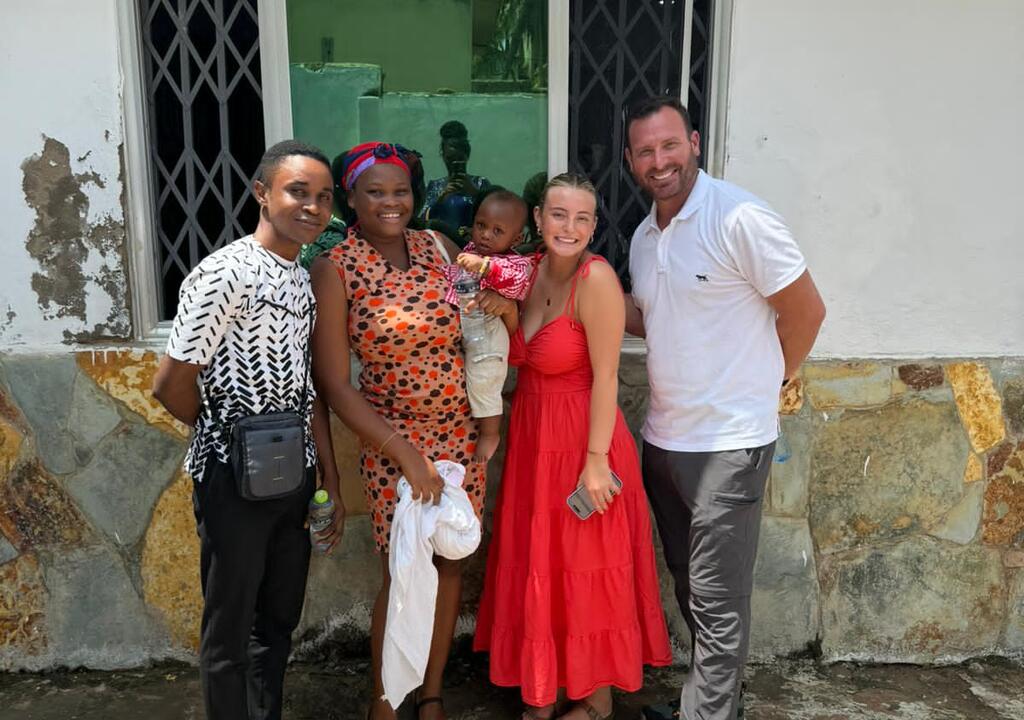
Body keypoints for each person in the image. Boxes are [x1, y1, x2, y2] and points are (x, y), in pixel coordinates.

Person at [623, 96, 826, 720]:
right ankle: (714, 703)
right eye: (646, 151)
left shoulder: (740, 218)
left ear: (694, 143)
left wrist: (773, 380)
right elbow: (654, 317)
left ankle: (707, 714)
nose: (660, 161)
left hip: (729, 443)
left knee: (717, 596)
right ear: (630, 160)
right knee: (692, 585)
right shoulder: (644, 236)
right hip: (664, 439)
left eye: (670, 145)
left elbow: (806, 311)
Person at [309, 141, 512, 720]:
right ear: (351, 198)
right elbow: (334, 384)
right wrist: (405, 455)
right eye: (375, 191)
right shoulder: (335, 268)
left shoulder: (438, 247)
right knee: (403, 572)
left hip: (458, 437)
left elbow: (477, 326)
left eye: (400, 190)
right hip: (391, 445)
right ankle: (384, 701)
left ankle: (431, 693)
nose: (390, 202)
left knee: (449, 563)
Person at [473, 173, 673, 720]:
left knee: (586, 569)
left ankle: (596, 699)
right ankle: (547, 689)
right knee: (544, 566)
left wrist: (596, 463)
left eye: (582, 218)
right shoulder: (528, 271)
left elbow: (607, 377)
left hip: (585, 442)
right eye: (559, 214)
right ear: (538, 218)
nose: (569, 227)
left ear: (594, 226)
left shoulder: (597, 279)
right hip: (534, 439)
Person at [152, 140, 339, 720]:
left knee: (277, 622)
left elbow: (306, 386)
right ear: (262, 193)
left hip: (290, 475)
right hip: (233, 480)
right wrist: (230, 437)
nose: (312, 207)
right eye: (297, 192)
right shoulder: (224, 273)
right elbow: (171, 383)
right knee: (229, 629)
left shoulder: (300, 277)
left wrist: (321, 474)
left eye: (324, 197)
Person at [445, 188, 535, 462]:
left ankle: (490, 433)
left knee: (485, 381)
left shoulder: (515, 263)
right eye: (481, 225)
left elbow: (517, 283)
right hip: (467, 326)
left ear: (516, 239)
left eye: (498, 231)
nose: (485, 235)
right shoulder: (470, 251)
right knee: (469, 380)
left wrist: (485, 267)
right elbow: (455, 274)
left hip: (490, 330)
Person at [420, 120, 491, 244]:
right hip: (440, 246)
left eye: (459, 159)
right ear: (443, 156)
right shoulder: (434, 186)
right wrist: (441, 198)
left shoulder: (480, 183)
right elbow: (421, 221)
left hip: (472, 247)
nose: (453, 163)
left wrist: (474, 193)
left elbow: (495, 216)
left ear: (467, 156)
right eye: (450, 159)